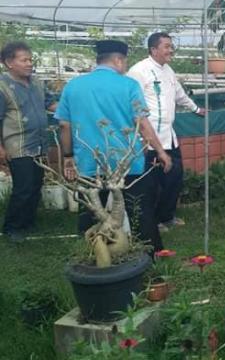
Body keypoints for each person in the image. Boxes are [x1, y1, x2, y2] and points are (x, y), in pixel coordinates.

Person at [55, 40, 172, 252]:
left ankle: (90, 256)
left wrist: (68, 157)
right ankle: (150, 257)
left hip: (90, 161)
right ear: (118, 60)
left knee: (91, 211)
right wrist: (161, 151)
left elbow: (64, 124)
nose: (125, 66)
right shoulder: (128, 85)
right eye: (125, 62)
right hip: (128, 162)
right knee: (139, 210)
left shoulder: (73, 86)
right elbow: (142, 124)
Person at [128, 32, 205, 232]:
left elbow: (179, 95)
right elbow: (132, 105)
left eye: (171, 46)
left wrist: (196, 109)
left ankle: (167, 216)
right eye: (167, 46)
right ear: (154, 50)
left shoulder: (168, 71)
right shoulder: (139, 71)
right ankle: (151, 220)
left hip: (169, 137)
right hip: (148, 138)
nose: (171, 50)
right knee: (150, 183)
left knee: (174, 177)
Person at [0, 42, 56, 243]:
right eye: (24, 60)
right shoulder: (2, 86)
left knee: (35, 185)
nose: (29, 64)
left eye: (30, 59)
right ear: (9, 63)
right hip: (18, 144)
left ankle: (28, 221)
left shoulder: (37, 82)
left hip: (39, 143)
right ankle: (12, 227)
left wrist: (70, 109)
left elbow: (50, 103)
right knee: (23, 188)